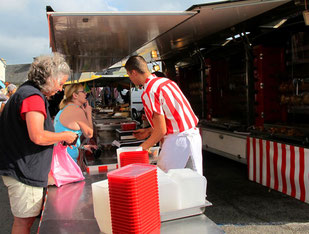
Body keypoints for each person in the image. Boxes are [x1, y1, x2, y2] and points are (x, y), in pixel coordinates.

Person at [0, 53, 78, 234]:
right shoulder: (32, 97)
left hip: (20, 168)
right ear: (50, 78)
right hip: (22, 171)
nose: (60, 89)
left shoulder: (26, 92)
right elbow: (37, 136)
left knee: (24, 221)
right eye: (60, 83)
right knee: (23, 222)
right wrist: (64, 136)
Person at [125, 55, 203, 175]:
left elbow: (161, 130)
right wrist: (149, 131)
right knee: (193, 183)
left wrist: (140, 149)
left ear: (134, 72)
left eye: (129, 75)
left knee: (165, 182)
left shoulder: (149, 91)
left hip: (177, 142)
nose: (130, 79)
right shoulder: (166, 82)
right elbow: (174, 117)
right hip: (193, 138)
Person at [54, 83, 94, 163]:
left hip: (60, 158)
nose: (86, 93)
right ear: (75, 95)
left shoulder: (64, 109)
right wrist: (89, 113)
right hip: (67, 160)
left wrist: (82, 146)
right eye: (83, 91)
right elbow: (89, 134)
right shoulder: (76, 110)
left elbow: (68, 137)